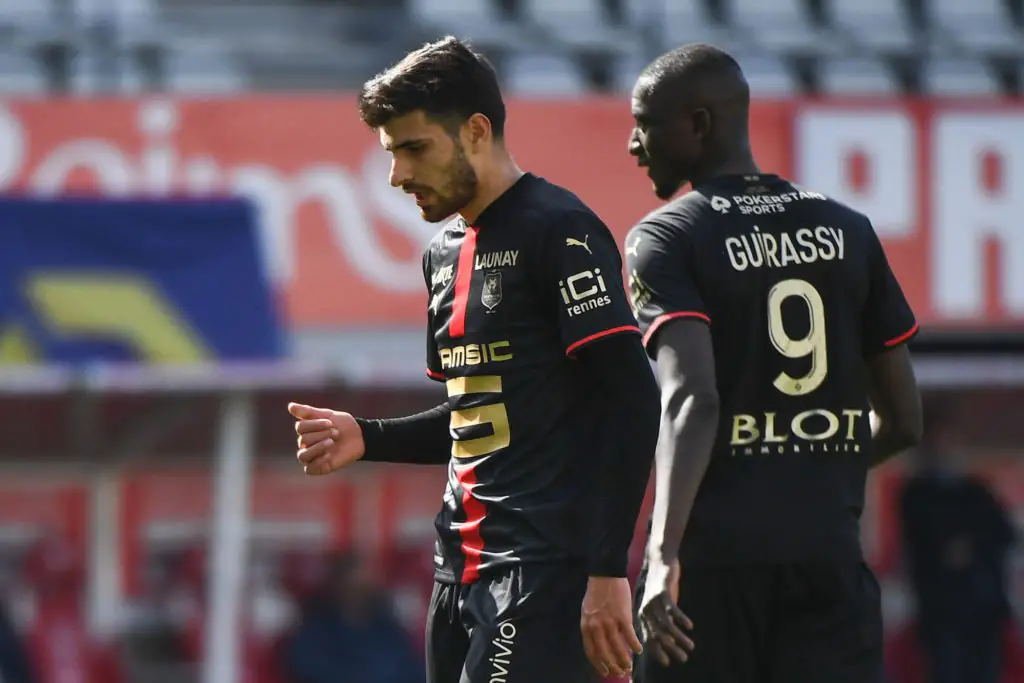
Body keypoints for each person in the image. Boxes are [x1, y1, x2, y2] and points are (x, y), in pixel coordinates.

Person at [287, 36, 660, 683]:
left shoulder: (559, 231)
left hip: (541, 573)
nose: (396, 175)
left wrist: (607, 571)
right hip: (455, 572)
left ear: (477, 131)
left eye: (414, 148)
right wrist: (368, 436)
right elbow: (478, 412)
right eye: (391, 153)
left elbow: (633, 396)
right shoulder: (441, 255)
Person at [623, 43, 924, 683]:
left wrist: (662, 553)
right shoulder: (849, 229)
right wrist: (808, 469)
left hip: (712, 571)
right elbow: (904, 422)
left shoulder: (666, 236)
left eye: (645, 124)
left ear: (699, 124)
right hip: (830, 562)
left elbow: (691, 397)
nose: (634, 144)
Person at [900, 406, 1015, 683]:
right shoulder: (917, 494)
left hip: (984, 610)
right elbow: (925, 540)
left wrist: (972, 549)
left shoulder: (978, 492)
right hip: (942, 612)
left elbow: (1004, 534)